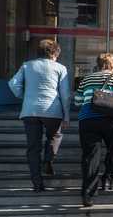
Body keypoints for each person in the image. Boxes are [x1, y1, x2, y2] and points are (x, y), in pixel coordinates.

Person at [7, 39, 71, 192]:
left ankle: (37, 183)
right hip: (52, 111)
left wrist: (24, 95)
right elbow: (65, 95)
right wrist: (66, 115)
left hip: (30, 111)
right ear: (54, 53)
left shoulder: (27, 65)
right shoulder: (60, 68)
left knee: (33, 148)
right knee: (55, 136)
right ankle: (48, 159)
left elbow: (13, 83)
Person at [74, 53, 113, 207]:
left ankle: (88, 195)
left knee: (90, 156)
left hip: (88, 120)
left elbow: (78, 101)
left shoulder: (87, 79)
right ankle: (107, 177)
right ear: (112, 64)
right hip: (112, 120)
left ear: (98, 64)